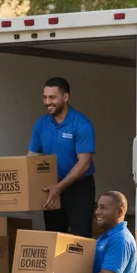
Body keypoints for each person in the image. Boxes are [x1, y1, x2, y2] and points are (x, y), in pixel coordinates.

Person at [28, 76, 96, 237]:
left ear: (65, 97)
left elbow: (84, 163)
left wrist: (59, 187)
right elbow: (32, 157)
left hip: (79, 188)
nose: (47, 102)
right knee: (53, 237)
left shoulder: (81, 124)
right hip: (51, 187)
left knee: (80, 238)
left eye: (52, 97)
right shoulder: (41, 124)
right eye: (45, 97)